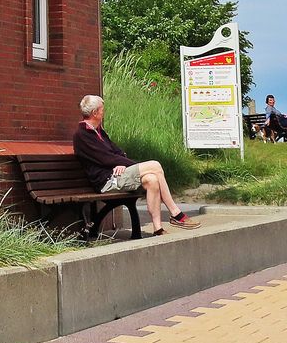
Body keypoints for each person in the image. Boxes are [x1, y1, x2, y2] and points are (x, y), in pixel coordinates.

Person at [72, 94, 200, 236]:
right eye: (102, 109)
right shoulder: (82, 135)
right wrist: (131, 165)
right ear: (95, 113)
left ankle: (158, 229)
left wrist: (121, 164)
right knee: (155, 165)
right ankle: (175, 213)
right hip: (106, 182)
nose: (104, 111)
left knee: (152, 179)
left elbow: (118, 152)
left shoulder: (99, 131)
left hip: (115, 175)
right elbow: (106, 159)